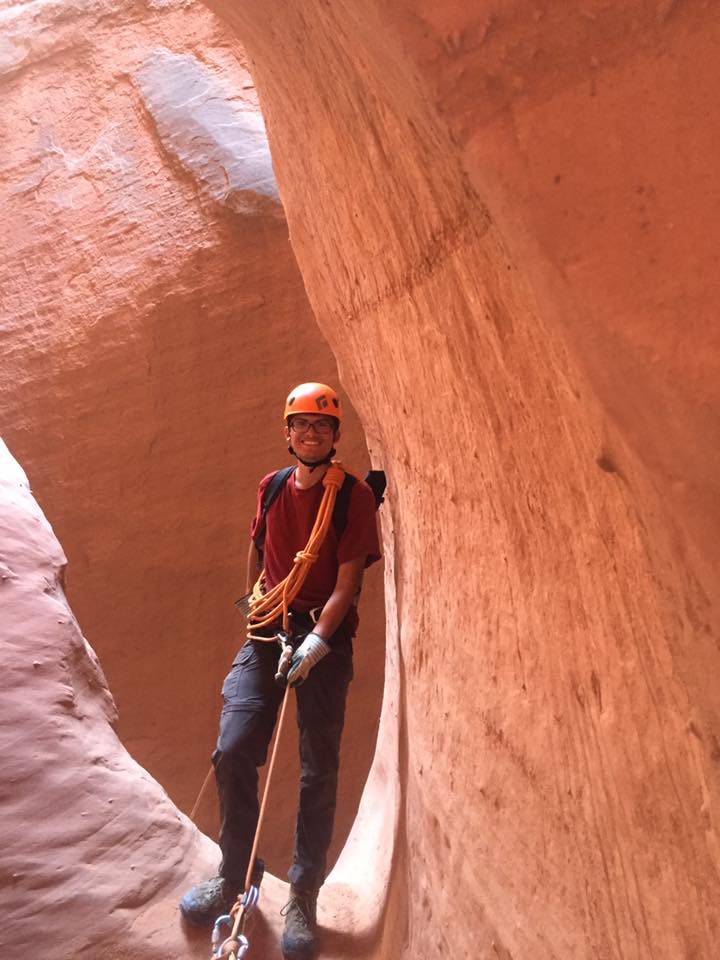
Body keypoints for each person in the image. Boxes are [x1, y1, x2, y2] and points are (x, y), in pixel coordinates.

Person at [180, 382, 381, 960]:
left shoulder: (352, 497)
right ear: (288, 432)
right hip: (269, 631)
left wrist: (317, 642)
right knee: (234, 746)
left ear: (335, 436)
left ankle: (303, 895)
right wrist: (255, 606)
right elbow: (259, 547)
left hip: (324, 635)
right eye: (301, 425)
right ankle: (235, 872)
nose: (311, 433)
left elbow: (349, 581)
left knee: (317, 768)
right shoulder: (272, 487)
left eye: (321, 426)